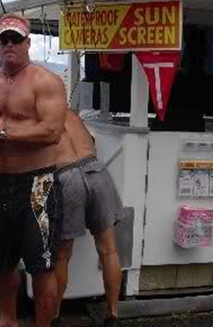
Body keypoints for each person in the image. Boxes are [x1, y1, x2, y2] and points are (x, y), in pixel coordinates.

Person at [0, 13, 68, 327]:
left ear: (28, 42)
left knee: (42, 265)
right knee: (0, 261)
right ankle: (7, 319)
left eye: (16, 39)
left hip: (39, 183)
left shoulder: (46, 81)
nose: (9, 44)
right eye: (4, 39)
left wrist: (5, 134)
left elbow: (52, 131)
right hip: (0, 183)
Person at [52, 109, 123, 327]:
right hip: (97, 170)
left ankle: (53, 316)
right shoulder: (72, 113)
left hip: (67, 176)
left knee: (62, 255)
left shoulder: (39, 117)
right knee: (109, 250)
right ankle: (112, 316)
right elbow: (92, 141)